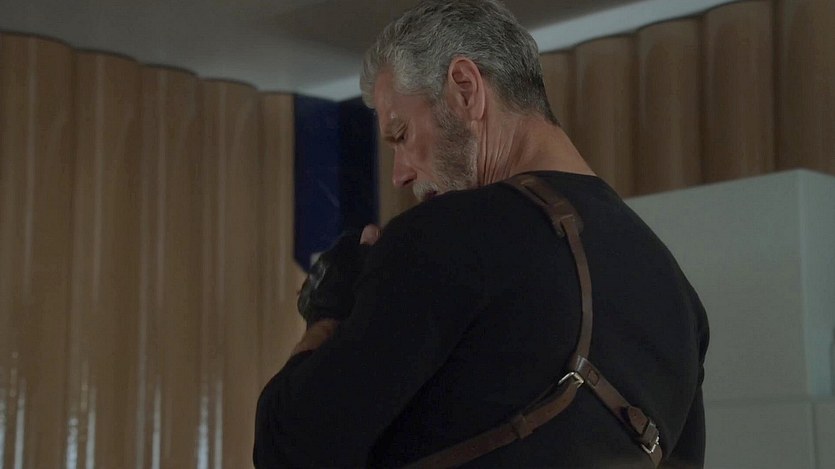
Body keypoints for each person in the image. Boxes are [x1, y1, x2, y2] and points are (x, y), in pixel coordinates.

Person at [254, 0, 709, 467]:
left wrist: (330, 310)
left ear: (465, 89)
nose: (400, 174)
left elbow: (289, 449)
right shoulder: (678, 296)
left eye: (401, 134)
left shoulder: (443, 235)